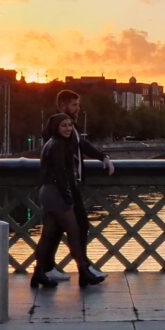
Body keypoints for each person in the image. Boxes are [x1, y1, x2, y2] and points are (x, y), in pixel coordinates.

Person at [43, 90, 115, 283]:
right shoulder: (59, 130)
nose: (78, 108)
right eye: (74, 105)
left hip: (62, 187)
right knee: (78, 226)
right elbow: (62, 163)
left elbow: (82, 144)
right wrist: (68, 192)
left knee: (54, 230)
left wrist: (103, 156)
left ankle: (45, 269)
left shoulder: (66, 128)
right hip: (63, 188)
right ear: (62, 106)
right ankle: (84, 269)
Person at [32, 113, 105, 289]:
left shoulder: (52, 143)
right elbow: (60, 172)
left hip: (47, 191)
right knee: (74, 232)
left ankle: (38, 273)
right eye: (64, 125)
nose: (68, 129)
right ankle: (84, 271)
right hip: (56, 192)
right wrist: (67, 195)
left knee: (48, 234)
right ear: (56, 127)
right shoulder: (58, 145)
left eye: (70, 125)